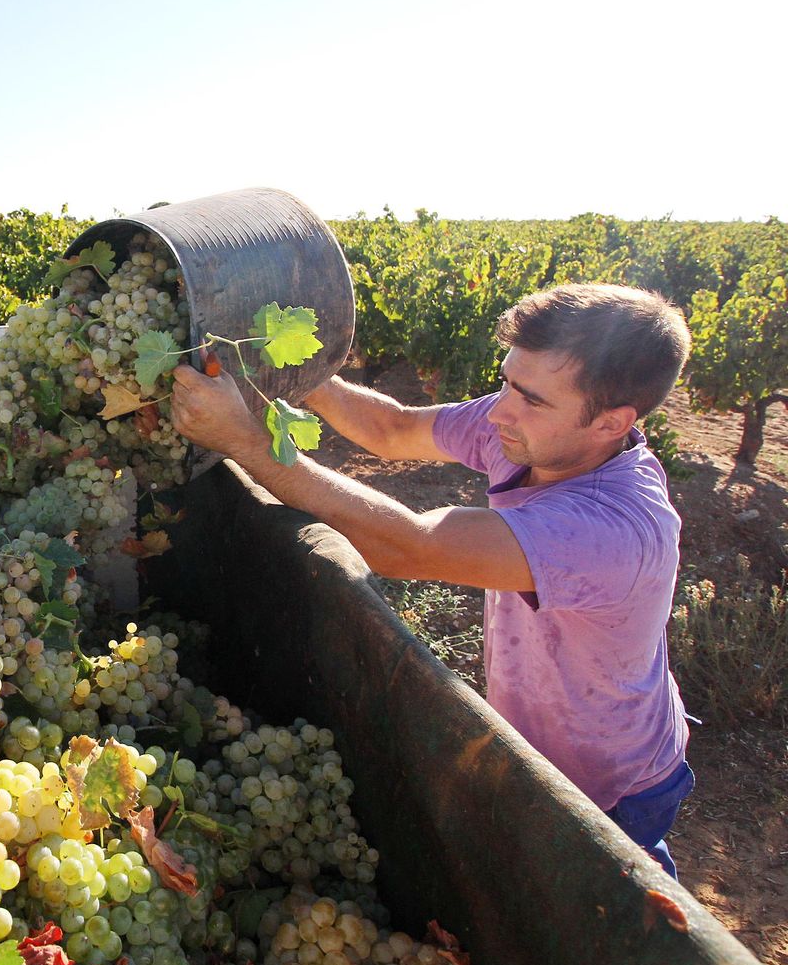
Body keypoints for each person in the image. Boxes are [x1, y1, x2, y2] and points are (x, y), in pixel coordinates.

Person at [169, 283, 695, 879]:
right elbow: (392, 430)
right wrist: (284, 367)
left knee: (620, 899)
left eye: (531, 399)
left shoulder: (612, 530)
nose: (498, 411)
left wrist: (245, 441)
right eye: (506, 382)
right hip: (541, 741)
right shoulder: (530, 431)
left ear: (611, 423)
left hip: (613, 782)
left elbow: (407, 545)